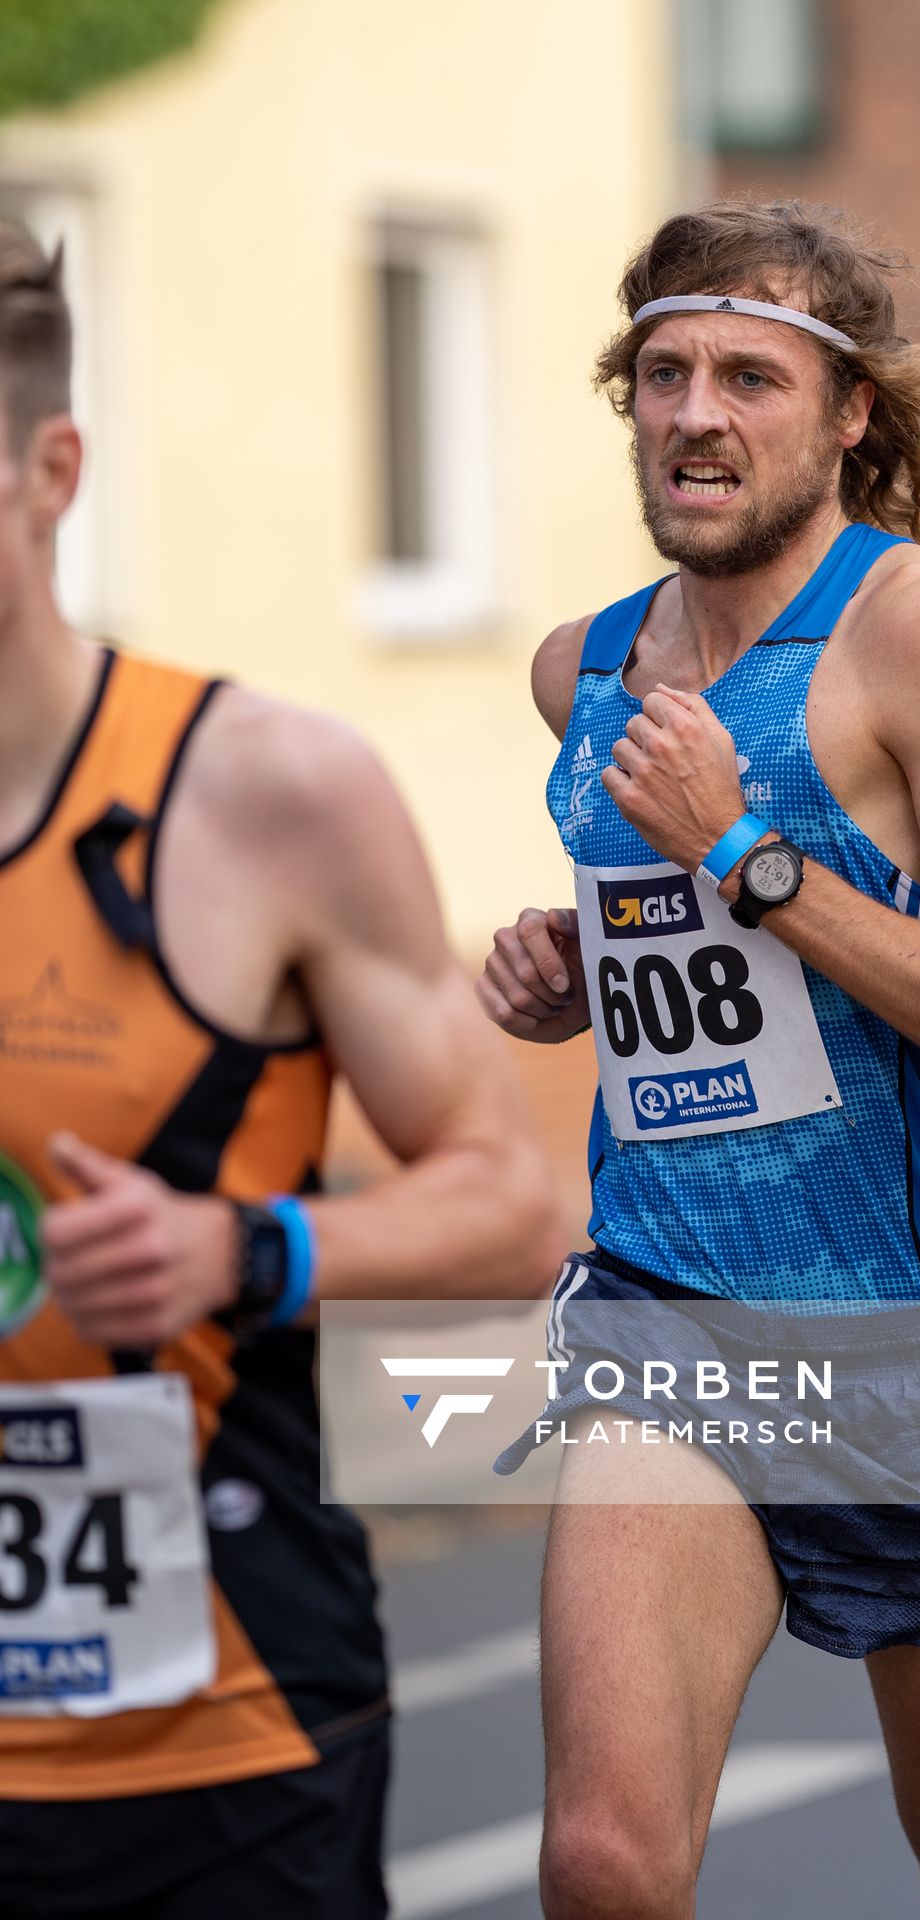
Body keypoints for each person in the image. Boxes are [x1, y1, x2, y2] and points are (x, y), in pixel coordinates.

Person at [479, 199, 920, 1920]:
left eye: (751, 378)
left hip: (915, 1358)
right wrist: (585, 970)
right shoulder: (586, 673)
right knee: (606, 1866)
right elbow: (679, 964)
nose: (699, 413)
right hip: (670, 1322)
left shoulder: (917, 638)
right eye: (666, 373)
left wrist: (750, 866)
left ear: (846, 414)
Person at [0, 220, 563, 1919]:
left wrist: (243, 1250)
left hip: (221, 1741)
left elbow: (511, 1205)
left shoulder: (263, 792)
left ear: (53, 469)